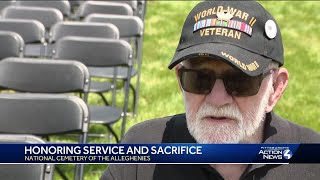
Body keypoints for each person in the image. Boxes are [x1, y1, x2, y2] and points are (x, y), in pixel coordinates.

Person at [101, 1, 320, 179]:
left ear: (275, 89)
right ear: (180, 80)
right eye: (199, 79)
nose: (217, 99)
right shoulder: (142, 147)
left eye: (239, 81)